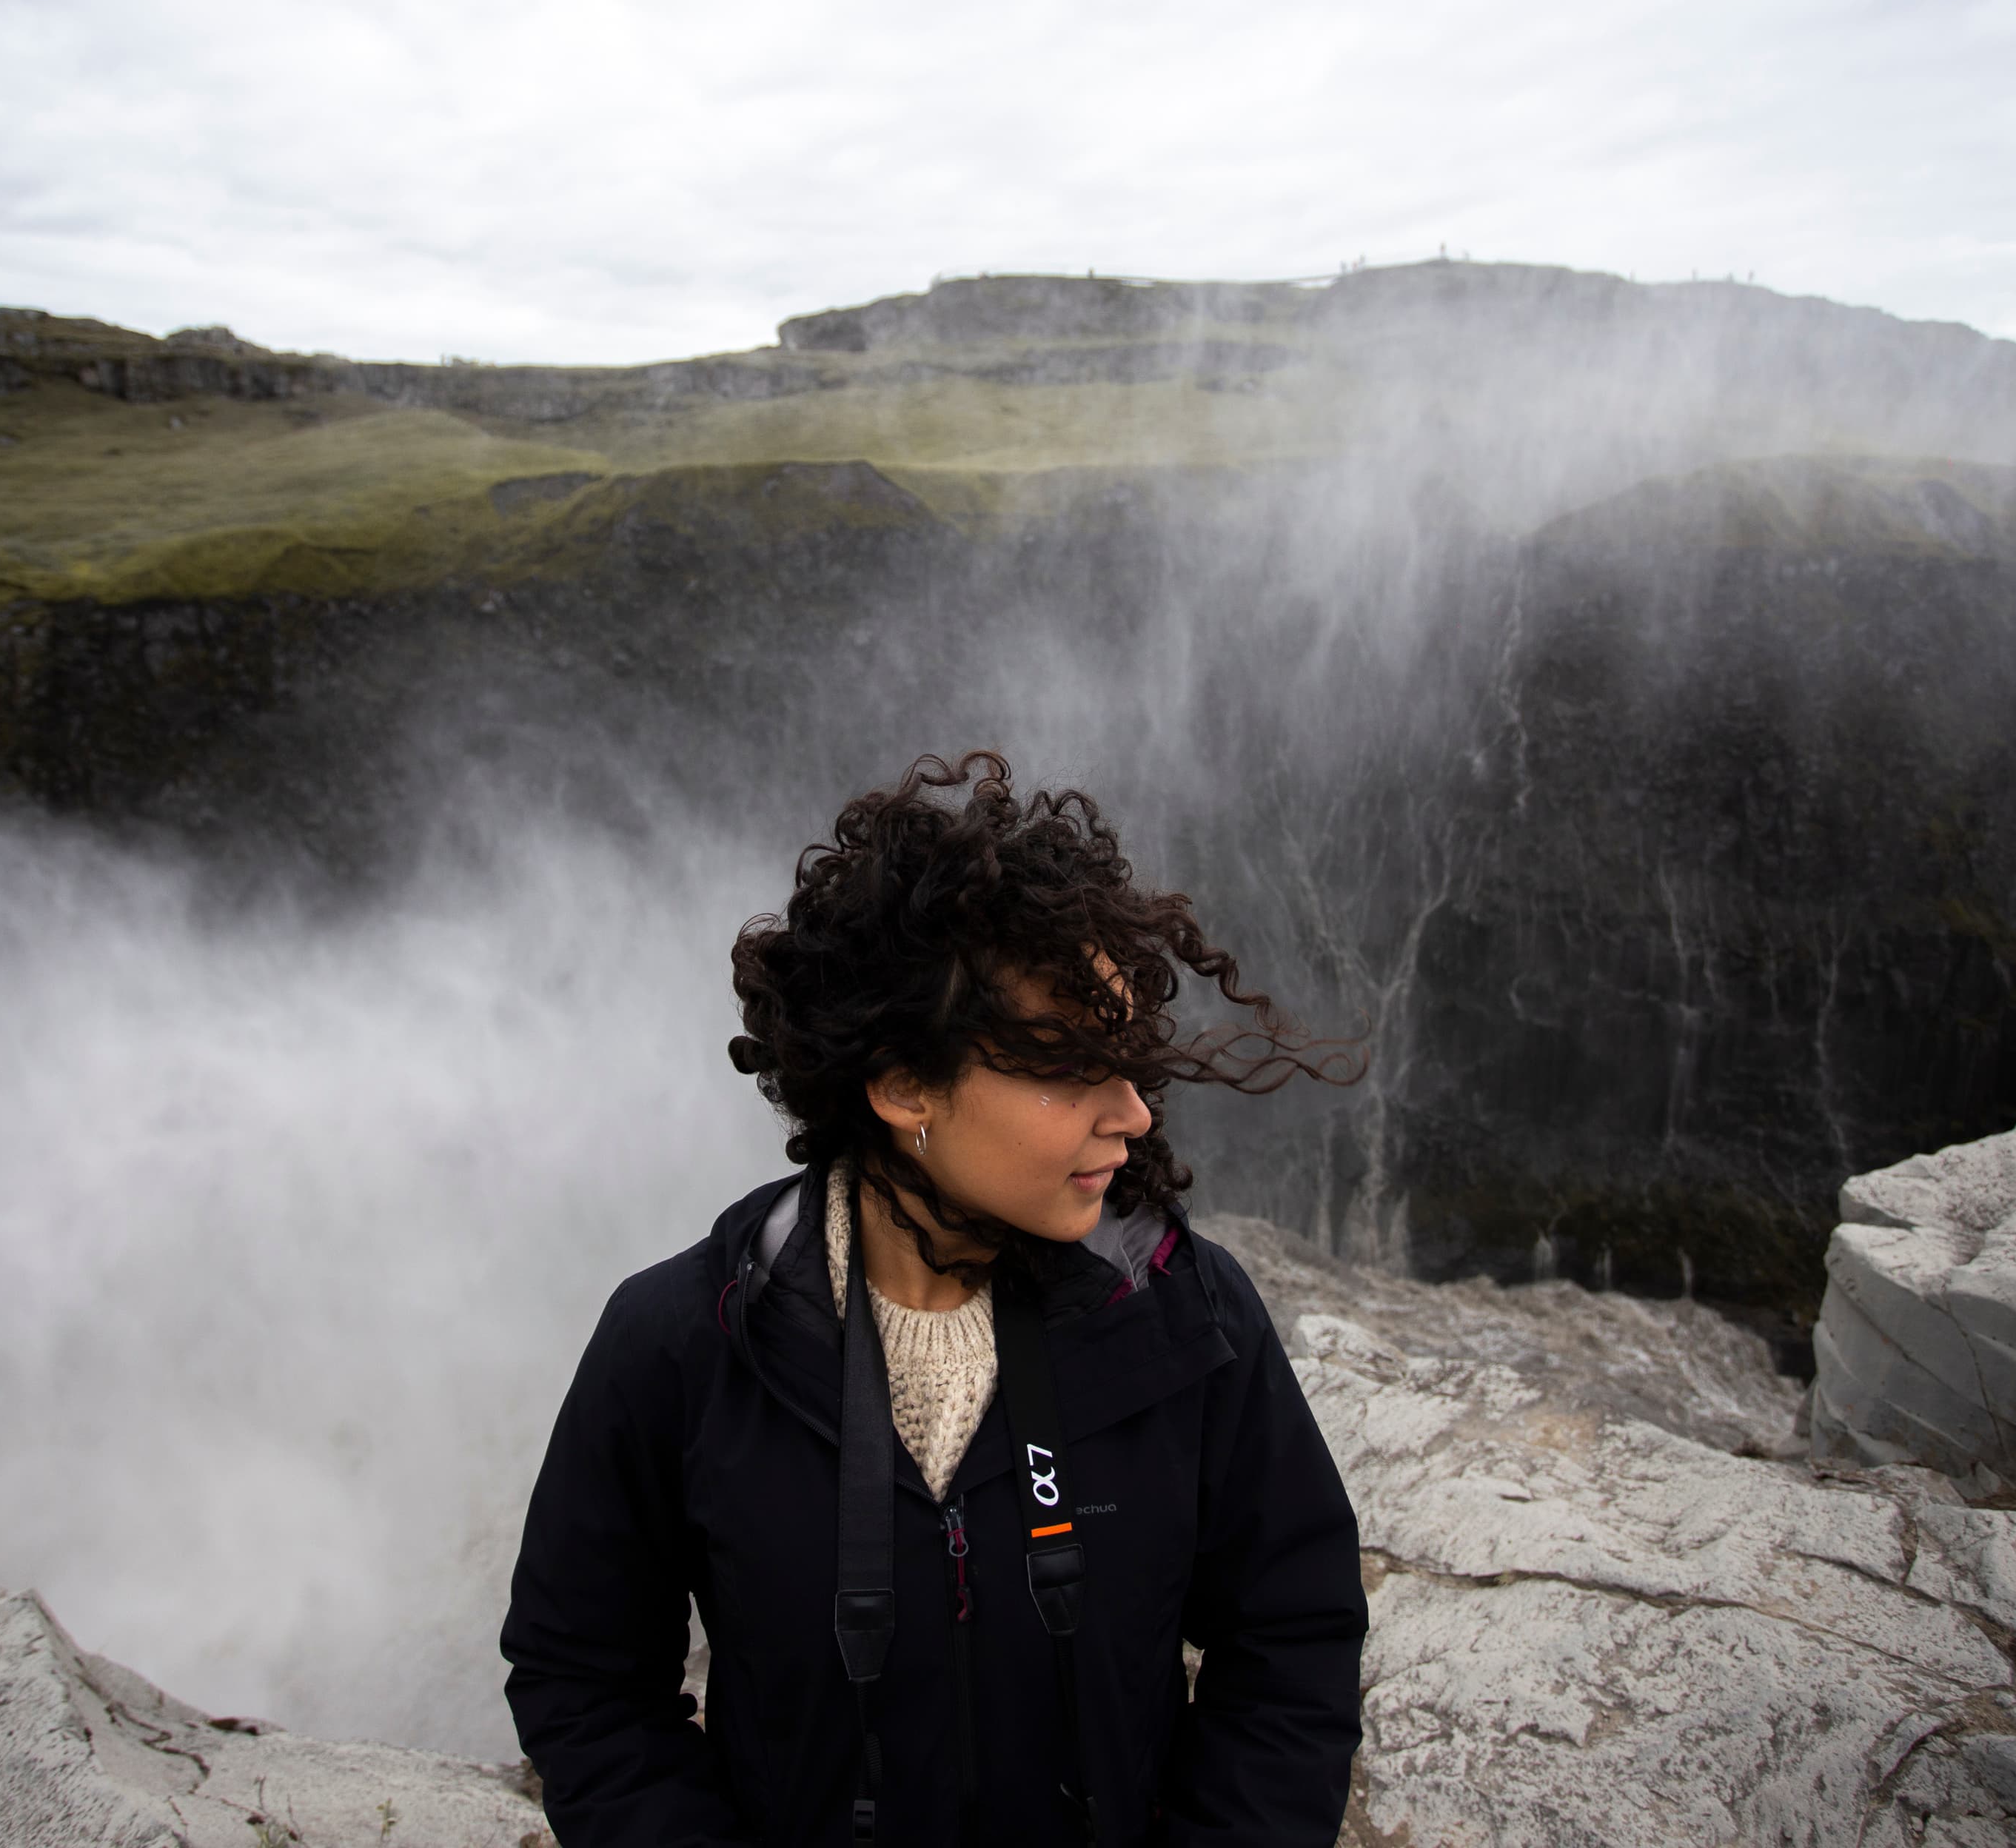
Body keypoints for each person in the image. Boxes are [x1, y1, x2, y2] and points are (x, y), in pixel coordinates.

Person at [502, 752, 1368, 1847]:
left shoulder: (1182, 1319)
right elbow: (584, 1680)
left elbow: (1294, 1637)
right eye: (1069, 1071)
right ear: (905, 1084)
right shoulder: (687, 1342)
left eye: (1131, 1061)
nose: (1136, 1114)